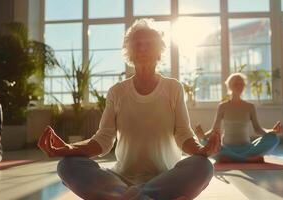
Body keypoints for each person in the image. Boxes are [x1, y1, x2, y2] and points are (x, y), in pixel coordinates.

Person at [38, 18, 221, 200]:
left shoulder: (173, 88)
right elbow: (103, 140)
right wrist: (69, 149)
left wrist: (201, 150)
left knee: (204, 167)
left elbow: (183, 134)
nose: (142, 48)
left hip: (166, 178)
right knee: (67, 166)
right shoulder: (117, 92)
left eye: (149, 44)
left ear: (159, 51)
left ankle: (128, 197)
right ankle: (145, 197)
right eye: (137, 44)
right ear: (129, 52)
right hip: (121, 180)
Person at [195, 72, 282, 163]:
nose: (239, 86)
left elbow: (258, 129)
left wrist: (271, 131)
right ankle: (247, 159)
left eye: (241, 84)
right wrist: (203, 136)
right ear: (230, 86)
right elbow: (215, 129)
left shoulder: (250, 106)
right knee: (203, 141)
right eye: (236, 84)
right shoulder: (223, 106)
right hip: (227, 148)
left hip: (247, 148)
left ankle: (233, 158)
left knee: (274, 138)